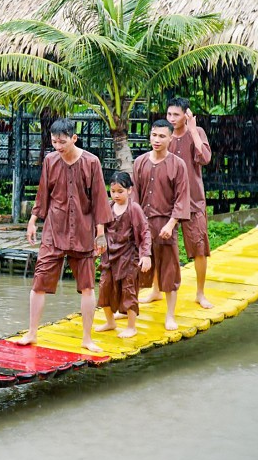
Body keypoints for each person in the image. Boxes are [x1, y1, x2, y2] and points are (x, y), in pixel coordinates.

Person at [17, 118, 112, 352]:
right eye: (54, 142)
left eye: (62, 142)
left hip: (83, 229)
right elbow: (43, 193)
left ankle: (87, 338)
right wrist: (32, 221)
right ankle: (32, 332)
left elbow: (100, 199)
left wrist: (100, 234)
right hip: (54, 229)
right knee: (39, 281)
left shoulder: (91, 162)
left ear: (74, 138)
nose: (58, 147)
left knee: (87, 285)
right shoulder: (50, 160)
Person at [132, 120, 191, 331]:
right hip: (143, 224)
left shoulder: (178, 165)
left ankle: (170, 315)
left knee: (169, 271)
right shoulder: (139, 162)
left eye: (162, 136)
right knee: (135, 268)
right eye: (154, 135)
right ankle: (128, 312)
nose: (157, 140)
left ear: (171, 138)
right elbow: (134, 198)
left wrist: (172, 223)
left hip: (166, 224)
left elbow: (182, 198)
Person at [161, 96, 214, 309]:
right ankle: (156, 290)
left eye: (176, 114)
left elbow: (205, 158)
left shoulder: (196, 132)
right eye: (169, 114)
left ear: (186, 115)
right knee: (161, 247)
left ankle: (200, 293)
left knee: (199, 247)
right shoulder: (164, 136)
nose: (172, 118)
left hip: (193, 201)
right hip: (167, 201)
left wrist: (192, 130)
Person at [95, 171, 152, 339]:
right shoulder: (108, 208)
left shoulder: (134, 208)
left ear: (129, 190)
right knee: (104, 287)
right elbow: (100, 230)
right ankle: (110, 321)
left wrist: (146, 254)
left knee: (129, 290)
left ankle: (131, 326)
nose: (116, 195)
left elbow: (145, 232)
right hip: (109, 255)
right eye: (113, 191)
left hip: (129, 256)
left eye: (120, 191)